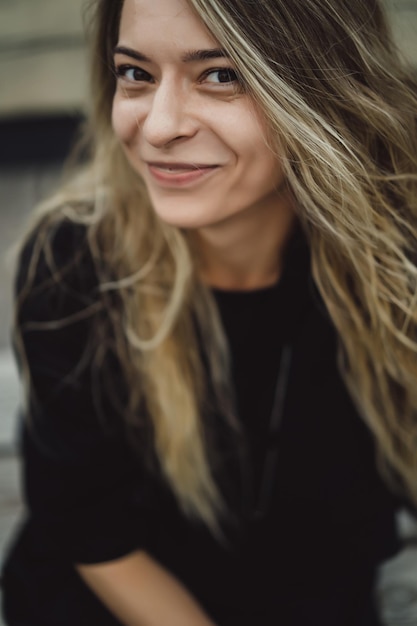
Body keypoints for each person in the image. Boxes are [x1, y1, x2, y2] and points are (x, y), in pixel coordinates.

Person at [2, 0, 417, 624]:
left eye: (221, 75)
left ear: (325, 90)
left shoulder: (396, 262)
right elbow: (92, 533)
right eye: (135, 73)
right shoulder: (74, 264)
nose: (160, 125)